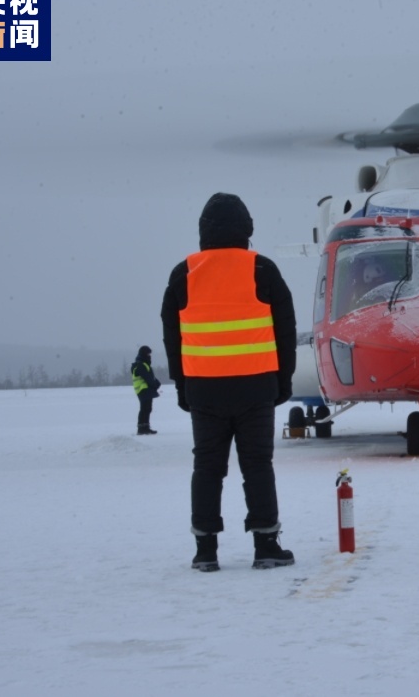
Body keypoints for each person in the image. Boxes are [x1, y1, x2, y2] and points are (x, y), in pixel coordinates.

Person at [161, 192, 298, 572]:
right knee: (257, 464)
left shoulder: (183, 273)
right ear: (247, 229)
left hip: (204, 388)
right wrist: (283, 380)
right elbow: (285, 330)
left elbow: (172, 337)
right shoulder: (263, 269)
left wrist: (182, 386)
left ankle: (205, 550)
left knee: (207, 467)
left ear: (203, 231)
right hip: (256, 386)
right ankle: (266, 545)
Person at [130, 345, 161, 435]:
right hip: (143, 389)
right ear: (144, 354)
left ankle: (145, 427)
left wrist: (156, 383)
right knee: (145, 409)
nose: (149, 355)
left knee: (147, 408)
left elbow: (150, 377)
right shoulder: (141, 365)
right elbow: (148, 378)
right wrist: (156, 384)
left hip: (144, 389)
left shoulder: (142, 364)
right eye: (148, 354)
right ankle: (142, 428)